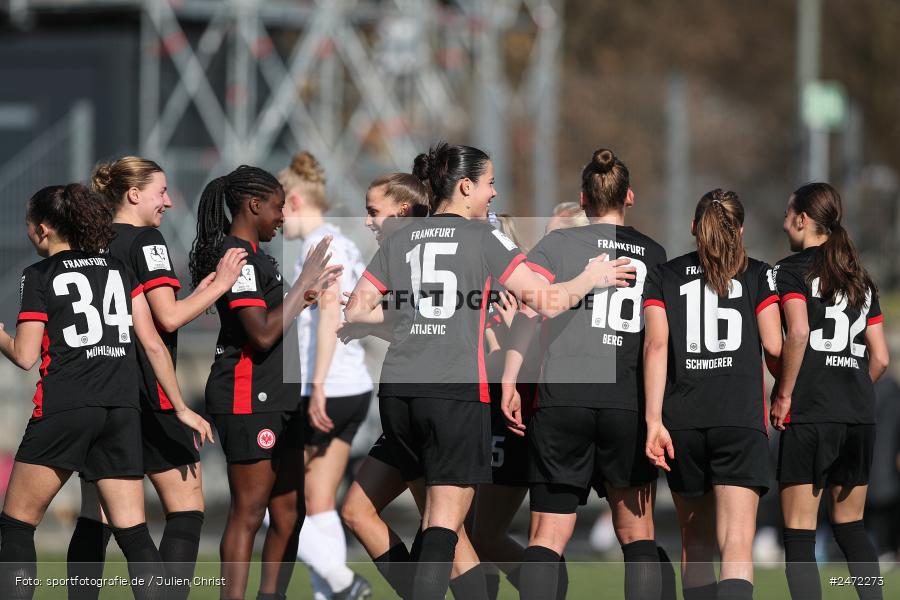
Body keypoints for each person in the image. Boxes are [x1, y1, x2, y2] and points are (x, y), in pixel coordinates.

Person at [344, 142, 635, 600]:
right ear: (465, 187)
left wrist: (416, 320)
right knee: (444, 525)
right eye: (489, 183)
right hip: (453, 393)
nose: (494, 193)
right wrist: (591, 278)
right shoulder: (483, 237)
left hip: (398, 392)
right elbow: (546, 300)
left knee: (441, 525)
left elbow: (357, 311)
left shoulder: (402, 236)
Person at [0, 183, 213, 600]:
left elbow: (25, 355)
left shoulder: (39, 275)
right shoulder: (117, 269)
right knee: (134, 533)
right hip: (121, 410)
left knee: (17, 525)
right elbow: (153, 344)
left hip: (65, 406)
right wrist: (181, 407)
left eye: (28, 224)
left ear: (43, 229)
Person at [65, 156, 247, 600]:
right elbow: (165, 319)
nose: (167, 201)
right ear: (134, 194)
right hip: (148, 389)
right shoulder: (146, 239)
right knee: (186, 506)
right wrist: (221, 284)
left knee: (96, 514)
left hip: (99, 388)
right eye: (160, 192)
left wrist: (199, 291)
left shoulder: (92, 241)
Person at [501, 149, 669, 600]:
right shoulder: (654, 253)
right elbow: (657, 341)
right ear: (629, 196)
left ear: (582, 198)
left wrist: (510, 379)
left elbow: (529, 309)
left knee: (546, 535)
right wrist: (656, 416)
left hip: (563, 402)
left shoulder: (558, 244)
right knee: (637, 536)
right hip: (625, 404)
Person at [188, 165, 342, 600]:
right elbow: (261, 333)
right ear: (254, 206)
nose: (282, 216)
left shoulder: (260, 258)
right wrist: (303, 285)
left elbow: (280, 316)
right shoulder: (238, 258)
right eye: (277, 206)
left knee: (290, 512)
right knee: (250, 512)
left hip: (279, 395)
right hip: (247, 395)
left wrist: (311, 294)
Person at [339, 172, 490, 600]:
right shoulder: (406, 252)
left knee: (442, 526)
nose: (368, 221)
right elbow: (412, 325)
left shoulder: (419, 245)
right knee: (360, 511)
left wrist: (362, 319)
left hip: (447, 396)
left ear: (402, 210)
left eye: (374, 211)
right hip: (410, 398)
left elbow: (426, 325)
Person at [643, 189, 783, 600]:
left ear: (693, 228)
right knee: (736, 542)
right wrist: (786, 389)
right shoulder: (759, 273)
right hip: (739, 419)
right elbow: (775, 347)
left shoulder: (664, 275)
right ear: (740, 230)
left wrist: (653, 421)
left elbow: (656, 347)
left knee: (696, 543)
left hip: (683, 421)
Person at [771, 182, 889, 600]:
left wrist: (784, 394)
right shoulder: (860, 277)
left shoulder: (788, 270)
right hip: (859, 416)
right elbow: (881, 358)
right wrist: (849, 390)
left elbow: (798, 331)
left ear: (803, 219)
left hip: (811, 414)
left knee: (799, 535)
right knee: (852, 528)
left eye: (788, 214)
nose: (784, 222)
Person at [279, 151, 373, 600]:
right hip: (353, 386)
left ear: (295, 201)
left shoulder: (321, 245)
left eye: (279, 207)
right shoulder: (343, 241)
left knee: (271, 495)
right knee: (318, 500)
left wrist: (315, 385)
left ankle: (341, 582)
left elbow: (331, 313)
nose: (277, 219)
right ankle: (334, 593)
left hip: (328, 387)